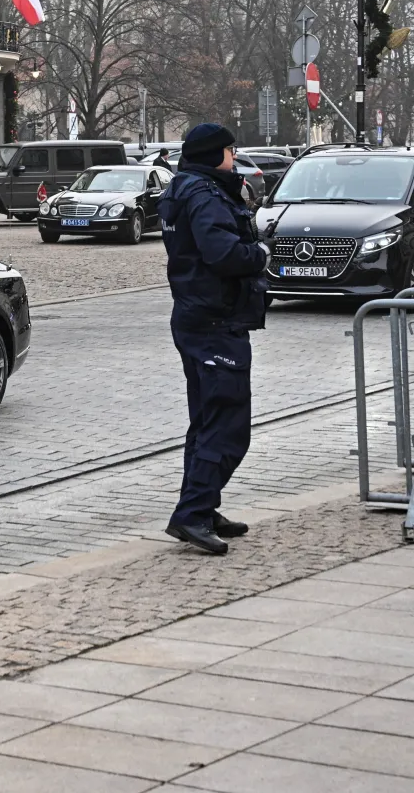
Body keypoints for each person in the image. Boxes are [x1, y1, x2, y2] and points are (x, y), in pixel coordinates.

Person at [157, 123, 269, 555]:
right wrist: (259, 254)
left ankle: (203, 507)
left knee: (207, 421)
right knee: (227, 425)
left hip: (199, 318)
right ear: (212, 154)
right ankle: (192, 514)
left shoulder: (187, 187)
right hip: (214, 322)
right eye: (229, 149)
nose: (234, 156)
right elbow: (222, 254)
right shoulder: (203, 194)